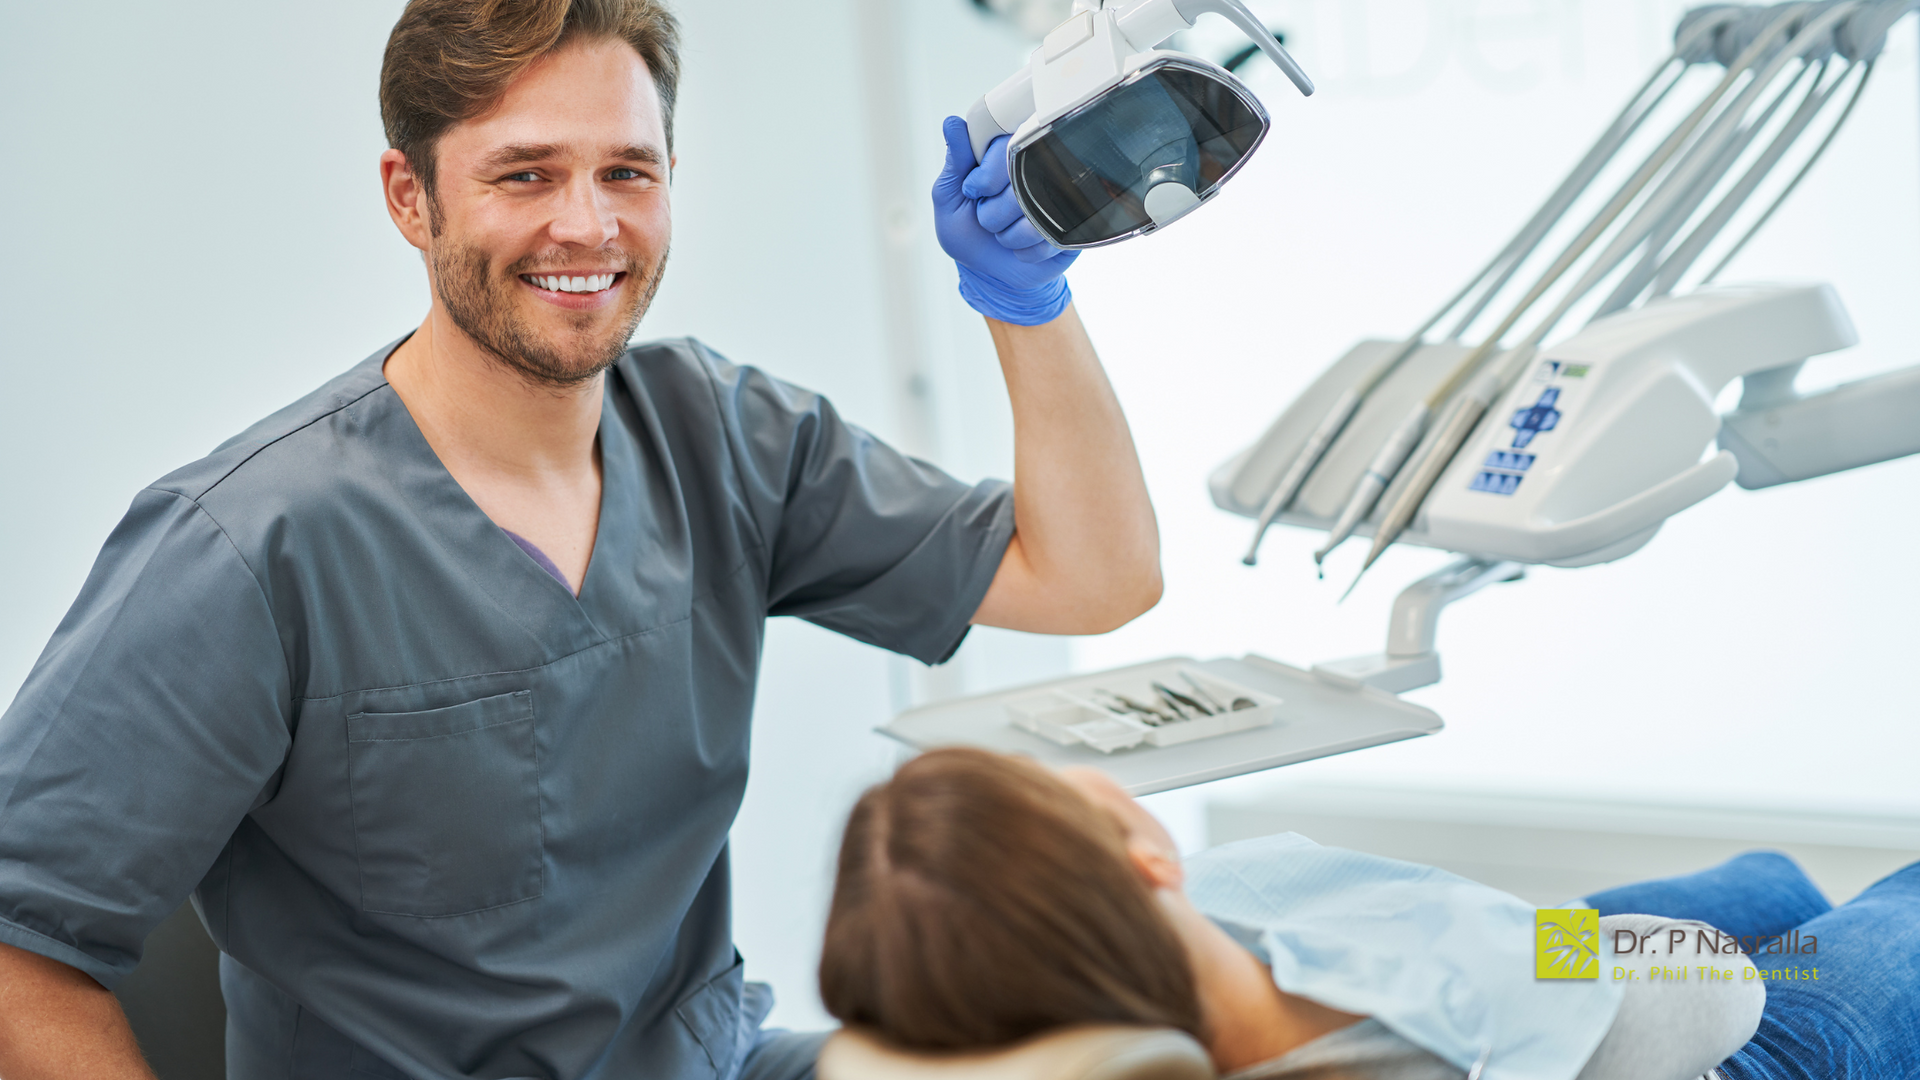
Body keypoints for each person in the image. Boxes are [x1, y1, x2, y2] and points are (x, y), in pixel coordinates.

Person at [0, 1, 1164, 1078]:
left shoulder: (723, 439)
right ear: (412, 197)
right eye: (526, 173)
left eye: (626, 171)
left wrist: (1030, 302)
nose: (588, 224)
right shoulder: (250, 544)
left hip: (711, 1062)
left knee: (1115, 1052)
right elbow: (17, 949)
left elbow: (1092, 576)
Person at [819, 748, 1920, 1080]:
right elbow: (1709, 989)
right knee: (1863, 919)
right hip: (1679, 1033)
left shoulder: (1132, 975)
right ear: (1136, 859)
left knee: (1770, 879)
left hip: (1518, 969)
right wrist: (1552, 946)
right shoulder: (1432, 1033)